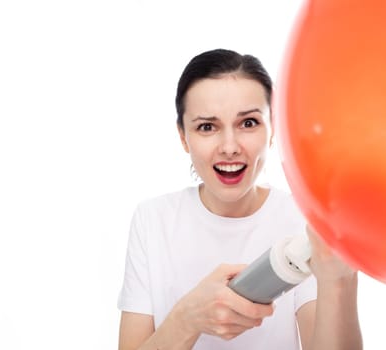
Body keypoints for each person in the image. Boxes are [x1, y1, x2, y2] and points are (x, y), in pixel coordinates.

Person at [117, 48, 363, 350]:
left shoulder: (302, 220)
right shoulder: (153, 220)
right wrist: (187, 318)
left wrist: (339, 280)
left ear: (272, 129)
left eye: (248, 123)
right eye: (207, 127)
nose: (230, 147)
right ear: (183, 136)